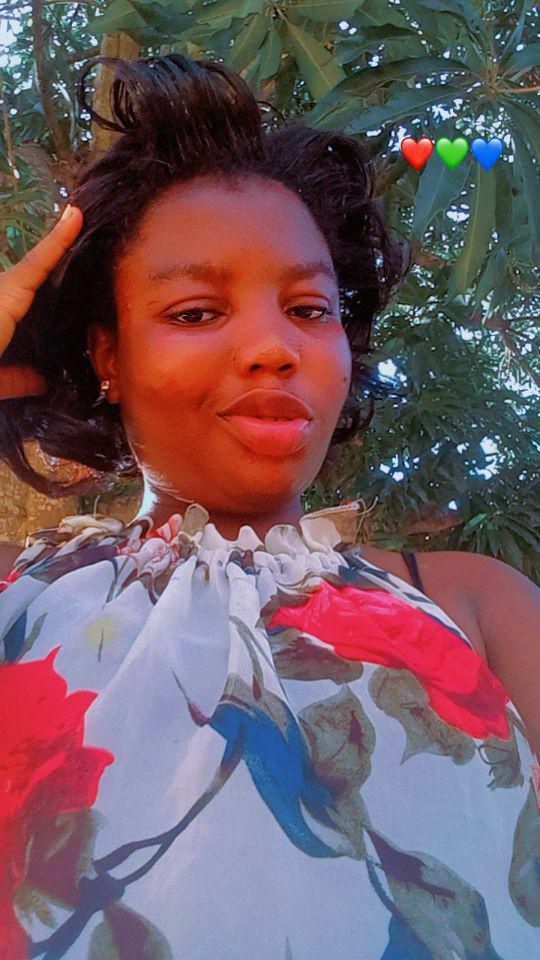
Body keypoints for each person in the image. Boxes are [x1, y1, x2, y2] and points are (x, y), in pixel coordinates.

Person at [0, 53, 538, 960]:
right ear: (109, 355)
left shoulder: (480, 608)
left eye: (309, 308)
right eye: (196, 312)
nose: (273, 346)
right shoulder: (14, 597)